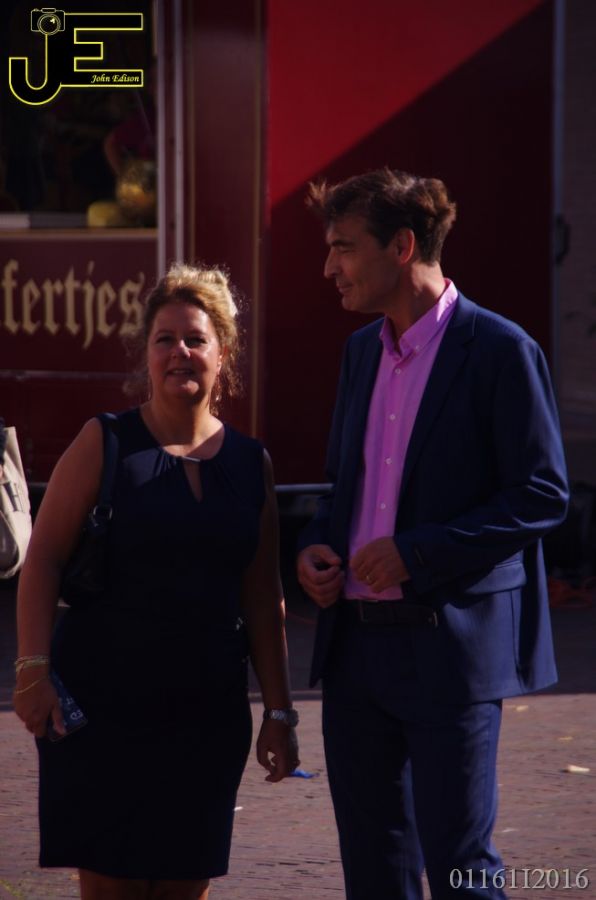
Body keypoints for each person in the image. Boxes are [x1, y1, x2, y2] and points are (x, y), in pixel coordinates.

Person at [297, 168, 568, 900]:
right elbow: (343, 489)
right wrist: (315, 547)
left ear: (402, 246)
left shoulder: (501, 349)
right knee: (374, 869)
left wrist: (416, 553)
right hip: (356, 654)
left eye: (344, 247)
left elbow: (543, 494)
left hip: (452, 655)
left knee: (461, 870)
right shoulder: (360, 352)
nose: (329, 268)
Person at [14, 263, 299, 900]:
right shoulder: (106, 441)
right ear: (145, 354)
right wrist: (32, 670)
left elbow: (262, 598)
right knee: (112, 887)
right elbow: (44, 560)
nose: (180, 353)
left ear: (222, 353)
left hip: (206, 716)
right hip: (103, 712)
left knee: (184, 883)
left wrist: (279, 712)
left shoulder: (250, 464)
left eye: (195, 339)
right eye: (164, 339)